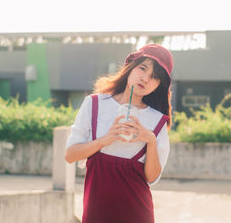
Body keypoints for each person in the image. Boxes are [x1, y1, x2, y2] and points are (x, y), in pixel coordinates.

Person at [65, 43, 174, 223]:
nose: (145, 79)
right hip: (96, 213)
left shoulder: (157, 121)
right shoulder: (94, 104)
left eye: (154, 77)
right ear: (130, 67)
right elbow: (70, 155)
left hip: (137, 214)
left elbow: (152, 178)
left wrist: (151, 141)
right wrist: (105, 140)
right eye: (142, 68)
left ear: (159, 85)